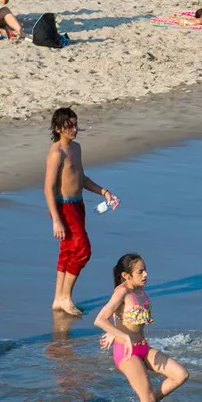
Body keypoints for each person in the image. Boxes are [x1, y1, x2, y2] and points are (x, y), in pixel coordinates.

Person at [94, 252, 189, 402]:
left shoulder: (139, 290)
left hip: (143, 347)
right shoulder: (122, 292)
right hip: (126, 353)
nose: (145, 274)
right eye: (140, 271)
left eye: (145, 270)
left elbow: (122, 316)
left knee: (180, 375)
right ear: (126, 276)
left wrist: (116, 330)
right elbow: (100, 319)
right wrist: (121, 336)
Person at [44, 107, 117, 315]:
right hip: (63, 207)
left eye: (75, 125)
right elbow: (48, 187)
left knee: (68, 250)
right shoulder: (56, 153)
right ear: (58, 128)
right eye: (69, 126)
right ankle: (66, 297)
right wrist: (56, 219)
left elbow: (81, 178)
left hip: (78, 204)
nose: (74, 129)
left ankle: (58, 299)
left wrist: (103, 192)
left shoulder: (76, 148)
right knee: (83, 250)